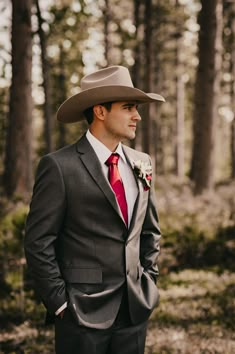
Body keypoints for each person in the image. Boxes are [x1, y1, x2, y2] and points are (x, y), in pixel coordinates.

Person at [24, 65, 165, 354]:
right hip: (80, 313)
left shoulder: (143, 162)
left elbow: (149, 230)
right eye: (128, 107)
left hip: (134, 309)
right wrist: (60, 302)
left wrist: (148, 281)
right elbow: (38, 241)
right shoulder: (59, 166)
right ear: (100, 111)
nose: (137, 116)